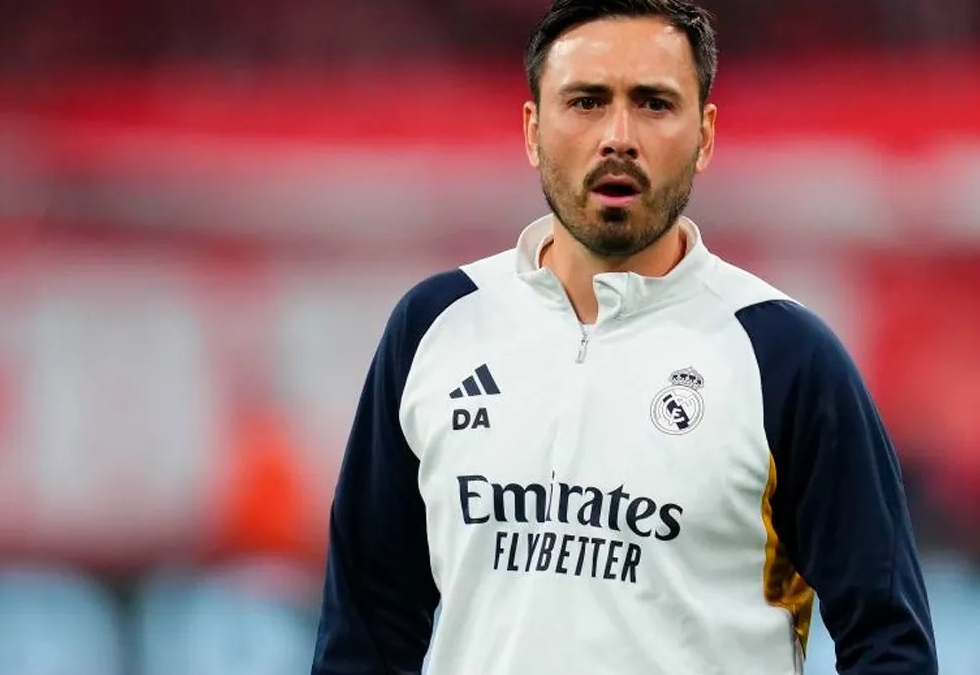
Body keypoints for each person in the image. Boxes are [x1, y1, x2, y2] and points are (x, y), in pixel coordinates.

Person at [310, 1, 938, 673]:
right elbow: (366, 631)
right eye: (585, 101)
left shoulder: (785, 357)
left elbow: (888, 640)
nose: (617, 135)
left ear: (705, 133)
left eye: (654, 104)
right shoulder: (435, 327)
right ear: (532, 129)